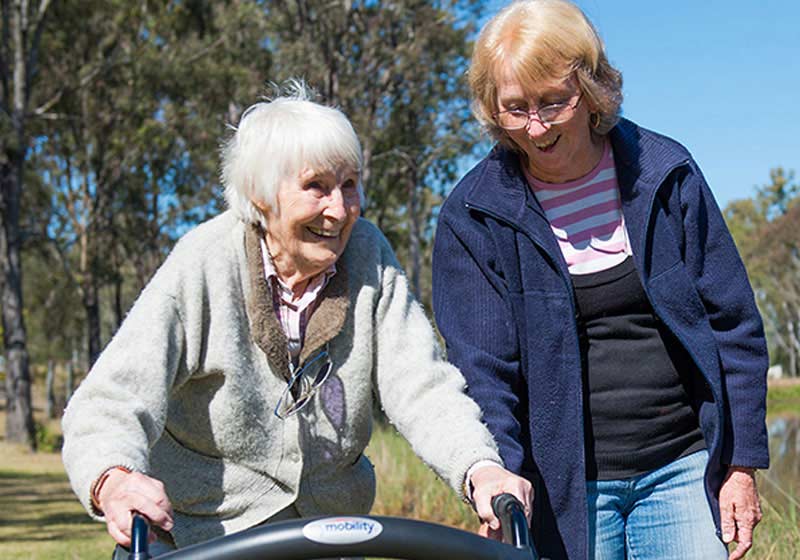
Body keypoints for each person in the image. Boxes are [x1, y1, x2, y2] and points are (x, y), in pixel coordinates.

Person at [62, 81, 532, 558]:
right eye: (317, 187)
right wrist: (114, 478)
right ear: (261, 196)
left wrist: (479, 468)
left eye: (350, 184)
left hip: (324, 537)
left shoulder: (368, 255)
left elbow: (422, 387)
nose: (340, 209)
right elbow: (111, 399)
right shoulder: (204, 262)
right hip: (201, 537)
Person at [431, 2, 769, 559]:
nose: (535, 128)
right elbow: (484, 371)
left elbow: (733, 324)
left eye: (552, 103)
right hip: (565, 491)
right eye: (515, 109)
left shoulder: (665, 173)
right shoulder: (474, 216)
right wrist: (498, 478)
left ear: (590, 90)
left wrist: (741, 463)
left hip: (683, 464)